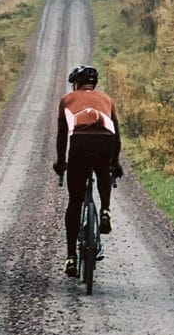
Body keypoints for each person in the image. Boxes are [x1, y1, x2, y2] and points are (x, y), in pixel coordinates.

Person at [52, 65, 123, 277]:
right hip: (105, 142)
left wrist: (60, 162)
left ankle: (71, 257)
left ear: (76, 84)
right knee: (102, 170)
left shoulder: (67, 100)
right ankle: (105, 210)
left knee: (75, 201)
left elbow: (62, 135)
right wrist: (115, 162)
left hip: (80, 143)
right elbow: (116, 134)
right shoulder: (108, 100)